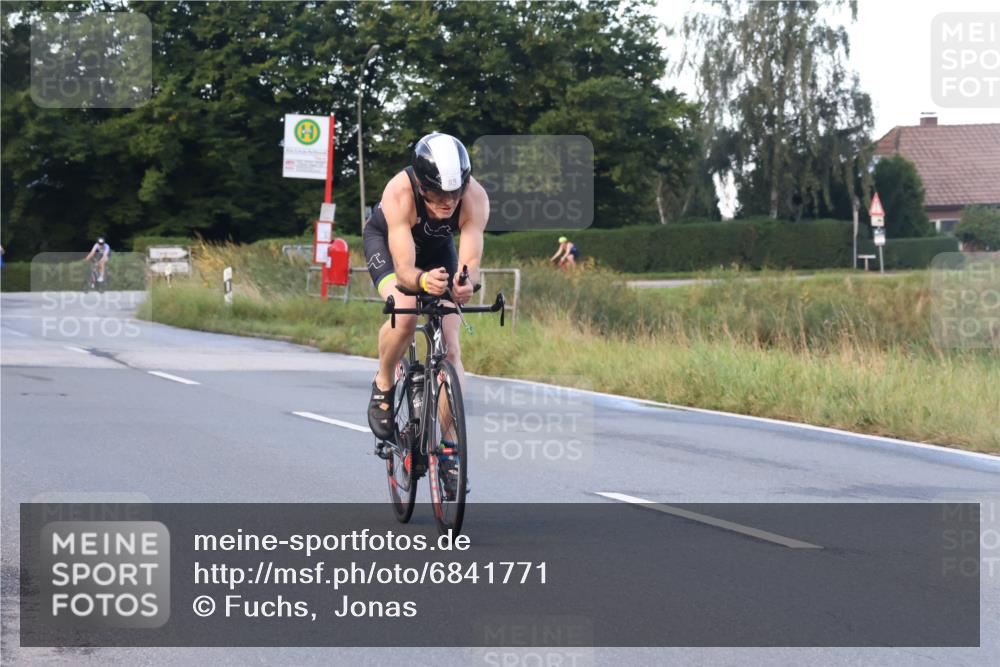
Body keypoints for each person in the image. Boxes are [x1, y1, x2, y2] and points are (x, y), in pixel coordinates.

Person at [363, 132, 489, 495]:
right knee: (404, 313)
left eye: (455, 193)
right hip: (390, 248)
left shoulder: (475, 197)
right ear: (421, 183)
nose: (448, 202)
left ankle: (448, 447)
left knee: (451, 350)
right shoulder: (399, 192)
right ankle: (384, 382)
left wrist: (466, 283)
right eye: (438, 195)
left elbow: (471, 262)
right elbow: (404, 270)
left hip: (438, 251)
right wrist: (420, 280)